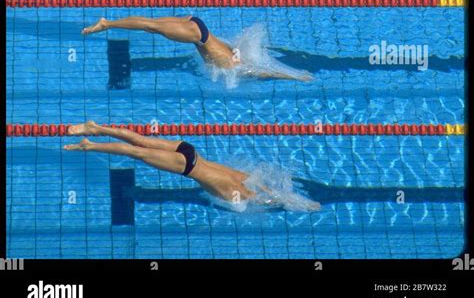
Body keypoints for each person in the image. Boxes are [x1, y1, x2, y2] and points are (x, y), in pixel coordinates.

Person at [64, 121, 321, 210]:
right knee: (136, 152)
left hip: (189, 149)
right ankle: (90, 144)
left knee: (138, 140)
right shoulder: (240, 192)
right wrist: (302, 204)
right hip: (187, 165)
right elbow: (267, 199)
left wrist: (299, 201)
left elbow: (266, 191)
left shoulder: (244, 178)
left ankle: (96, 127)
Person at [81, 15, 314, 82]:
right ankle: (107, 24)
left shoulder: (233, 53)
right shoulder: (237, 67)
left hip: (197, 24)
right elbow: (265, 72)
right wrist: (293, 77)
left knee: (152, 25)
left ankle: (108, 23)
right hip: (197, 35)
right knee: (150, 26)